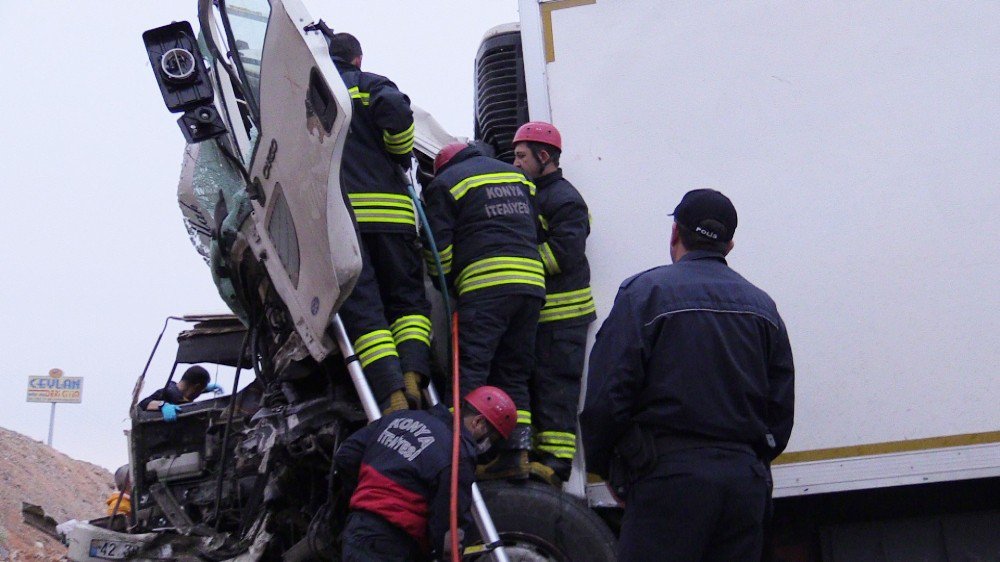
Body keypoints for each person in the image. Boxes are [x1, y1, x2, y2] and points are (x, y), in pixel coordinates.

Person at [580, 189, 795, 561]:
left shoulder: (644, 294)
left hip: (667, 482)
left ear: (675, 233)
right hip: (744, 483)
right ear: (729, 245)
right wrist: (749, 462)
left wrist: (609, 468)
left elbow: (606, 397)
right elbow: (780, 409)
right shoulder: (763, 307)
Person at [422, 142, 545, 479]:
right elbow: (532, 229)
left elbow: (439, 247)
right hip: (532, 286)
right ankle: (516, 455)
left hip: (485, 287)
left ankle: (456, 456)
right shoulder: (519, 179)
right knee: (514, 372)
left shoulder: (445, 184)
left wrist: (444, 281)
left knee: (469, 372)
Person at [327, 32, 432, 413]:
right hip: (393, 218)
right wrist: (400, 152)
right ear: (357, 58)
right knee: (407, 302)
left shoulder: (308, 91)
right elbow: (396, 110)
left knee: (366, 310)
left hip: (343, 224)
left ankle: (390, 395)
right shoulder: (369, 83)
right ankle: (414, 376)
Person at [335, 385, 516, 562]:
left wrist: (365, 497)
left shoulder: (399, 417)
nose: (486, 446)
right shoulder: (458, 454)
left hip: (356, 528)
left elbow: (347, 454)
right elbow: (447, 522)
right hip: (393, 543)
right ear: (478, 422)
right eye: (492, 438)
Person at [511, 122, 595, 483]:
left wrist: (519, 266)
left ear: (544, 157)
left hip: (565, 315)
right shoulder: (536, 193)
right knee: (539, 384)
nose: (515, 163)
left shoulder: (563, 198)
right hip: (544, 314)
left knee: (557, 388)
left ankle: (558, 463)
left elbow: (565, 252)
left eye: (521, 156)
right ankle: (537, 454)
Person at [138, 365, 222, 422]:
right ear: (196, 387)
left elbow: (190, 391)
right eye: (200, 390)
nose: (199, 393)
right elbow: (142, 404)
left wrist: (206, 389)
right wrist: (162, 405)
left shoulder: (178, 389)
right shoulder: (168, 394)